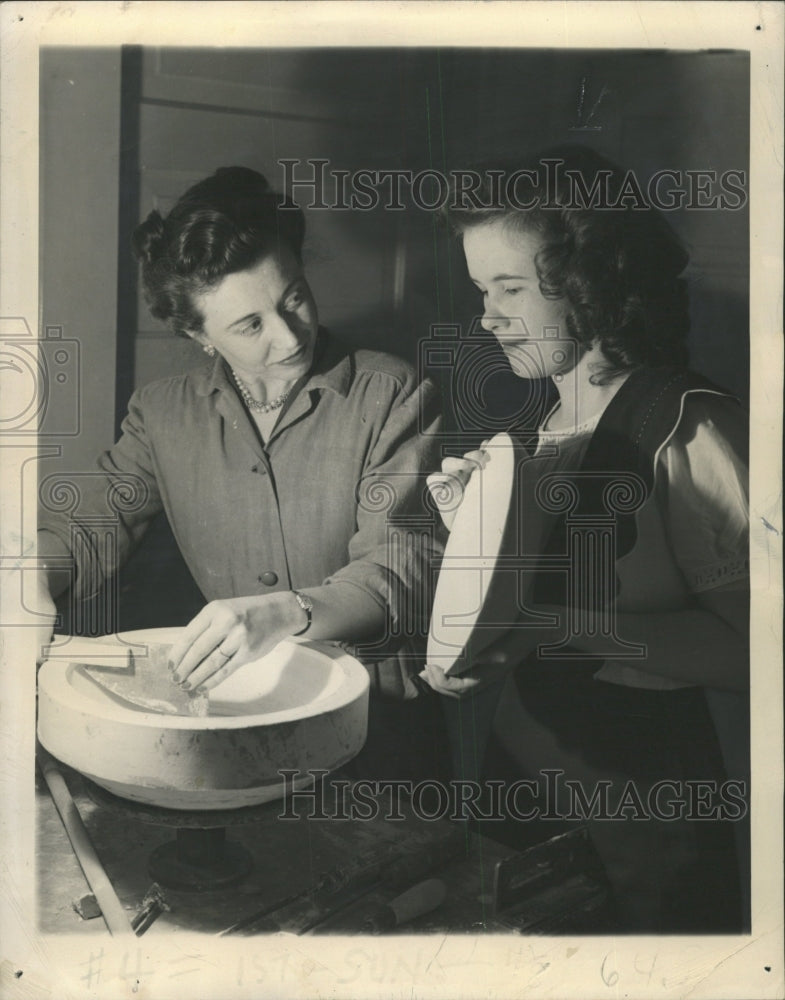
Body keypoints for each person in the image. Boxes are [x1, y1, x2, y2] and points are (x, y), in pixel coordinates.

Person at [424, 146, 750, 932]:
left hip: (645, 794)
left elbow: (755, 652)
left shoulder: (687, 426)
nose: (486, 316)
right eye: (480, 290)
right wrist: (475, 535)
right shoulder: (544, 423)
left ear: (590, 282)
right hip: (531, 766)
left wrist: (559, 626)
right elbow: (535, 603)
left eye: (509, 287)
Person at [36, 167, 446, 771]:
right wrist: (31, 574)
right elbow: (93, 521)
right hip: (245, 719)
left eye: (296, 297)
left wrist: (287, 611)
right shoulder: (162, 413)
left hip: (380, 726)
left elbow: (403, 562)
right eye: (249, 325)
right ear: (196, 334)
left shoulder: (389, 392)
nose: (288, 337)